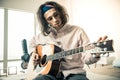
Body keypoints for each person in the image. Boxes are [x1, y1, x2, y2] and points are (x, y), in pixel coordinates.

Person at [26, 1, 108, 80]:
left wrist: (95, 54)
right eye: (50, 18)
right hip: (49, 74)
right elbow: (32, 43)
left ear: (60, 13)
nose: (55, 20)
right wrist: (33, 53)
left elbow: (86, 58)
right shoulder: (43, 35)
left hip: (74, 73)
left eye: (56, 15)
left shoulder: (78, 31)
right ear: (46, 22)